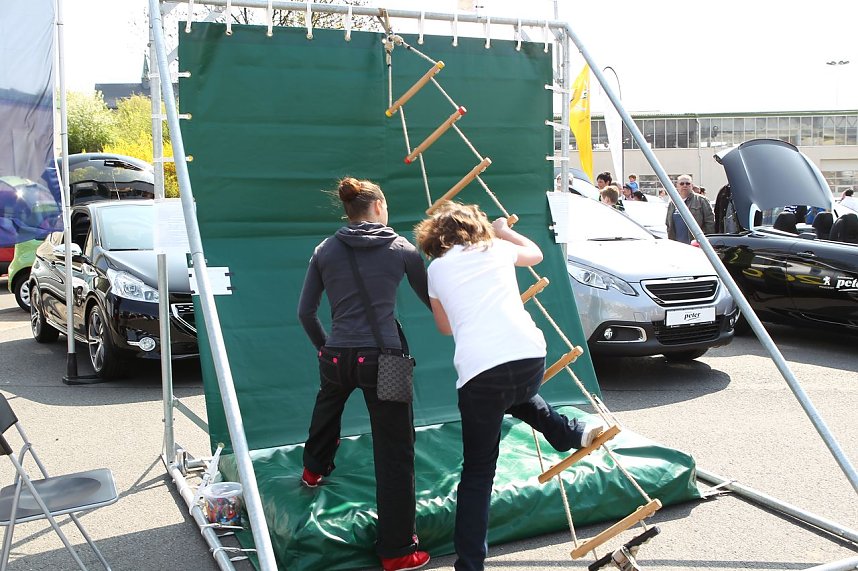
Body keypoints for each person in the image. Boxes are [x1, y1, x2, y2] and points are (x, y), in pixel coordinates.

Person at [414, 203, 603, 571]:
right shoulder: (497, 248)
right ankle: (567, 432)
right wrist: (503, 230)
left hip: (482, 373)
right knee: (517, 396)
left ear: (436, 239)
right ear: (477, 227)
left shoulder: (436, 269)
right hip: (529, 358)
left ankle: (470, 564)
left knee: (478, 472)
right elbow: (533, 252)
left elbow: (445, 327)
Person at [297, 177, 431, 571]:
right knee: (395, 452)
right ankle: (397, 550)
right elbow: (432, 300)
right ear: (377, 207)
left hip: (337, 355)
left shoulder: (324, 249)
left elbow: (305, 313)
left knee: (327, 407)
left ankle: (312, 470)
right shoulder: (403, 249)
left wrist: (326, 348)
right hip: (384, 360)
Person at [665, 174, 714, 244]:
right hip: (677, 245)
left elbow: (710, 223)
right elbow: (668, 224)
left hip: (696, 244)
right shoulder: (672, 203)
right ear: (677, 186)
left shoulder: (701, 200)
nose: (685, 185)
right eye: (682, 183)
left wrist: (708, 242)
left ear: (692, 186)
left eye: (687, 183)